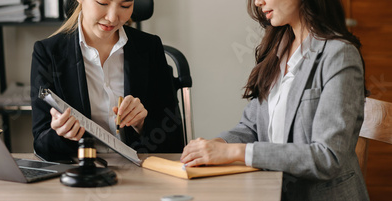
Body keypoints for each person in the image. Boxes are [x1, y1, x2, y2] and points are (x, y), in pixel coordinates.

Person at [180, 0, 369, 200]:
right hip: (273, 192)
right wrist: (217, 145)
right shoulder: (277, 50)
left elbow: (327, 157)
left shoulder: (339, 55)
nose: (258, 2)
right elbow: (251, 127)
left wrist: (234, 152)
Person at [31, 0, 184, 161]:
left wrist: (142, 124)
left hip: (139, 172)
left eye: (125, 6)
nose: (112, 18)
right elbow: (41, 145)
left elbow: (175, 141)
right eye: (103, 3)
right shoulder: (48, 53)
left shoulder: (150, 47)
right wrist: (61, 134)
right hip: (80, 172)